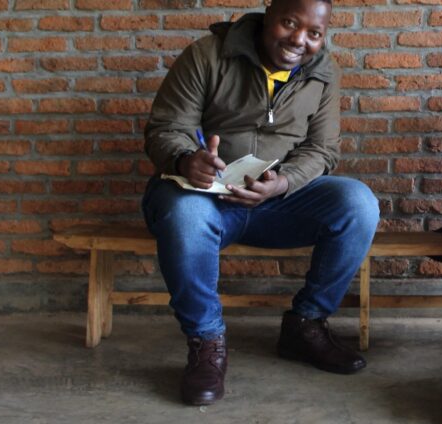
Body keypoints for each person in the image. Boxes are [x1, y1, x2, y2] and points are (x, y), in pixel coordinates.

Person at [141, 0, 379, 406]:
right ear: (268, 13)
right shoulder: (209, 54)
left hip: (275, 201)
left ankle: (305, 325)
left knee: (358, 202)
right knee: (183, 213)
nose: (298, 40)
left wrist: (283, 182)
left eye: (314, 33)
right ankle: (207, 342)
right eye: (289, 23)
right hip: (204, 198)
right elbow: (166, 127)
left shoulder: (322, 73)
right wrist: (187, 159)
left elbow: (322, 150)